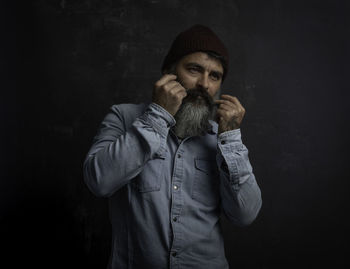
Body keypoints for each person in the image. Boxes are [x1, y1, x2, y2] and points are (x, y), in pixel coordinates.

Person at [83, 24, 262, 269]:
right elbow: (99, 181)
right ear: (169, 71)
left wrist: (231, 139)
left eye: (215, 76)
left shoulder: (222, 139)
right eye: (194, 69)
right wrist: (157, 115)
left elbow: (245, 215)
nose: (204, 84)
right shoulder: (124, 118)